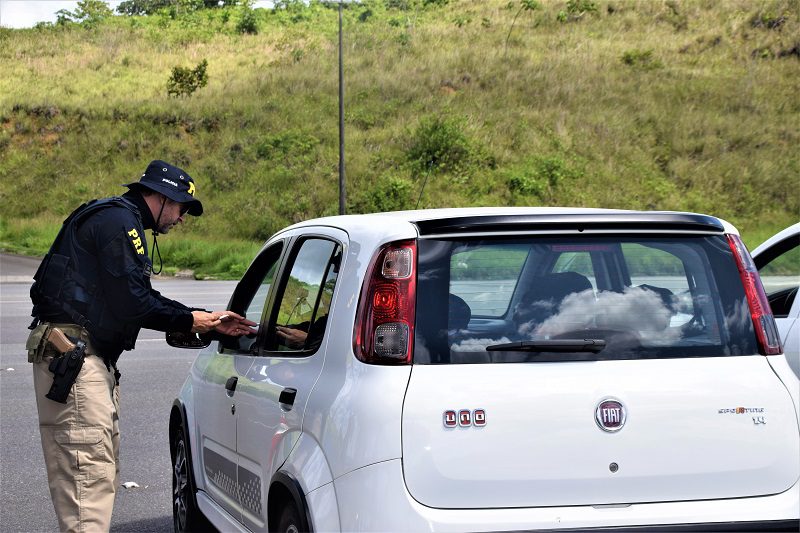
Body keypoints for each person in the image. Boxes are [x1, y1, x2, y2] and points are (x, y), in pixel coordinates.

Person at [26, 160, 256, 533]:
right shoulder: (120, 223)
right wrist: (191, 319)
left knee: (94, 480)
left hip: (82, 358)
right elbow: (133, 303)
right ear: (161, 197)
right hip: (76, 361)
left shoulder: (116, 218)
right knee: (88, 487)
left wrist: (198, 316)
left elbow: (135, 296)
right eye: (181, 207)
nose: (181, 219)